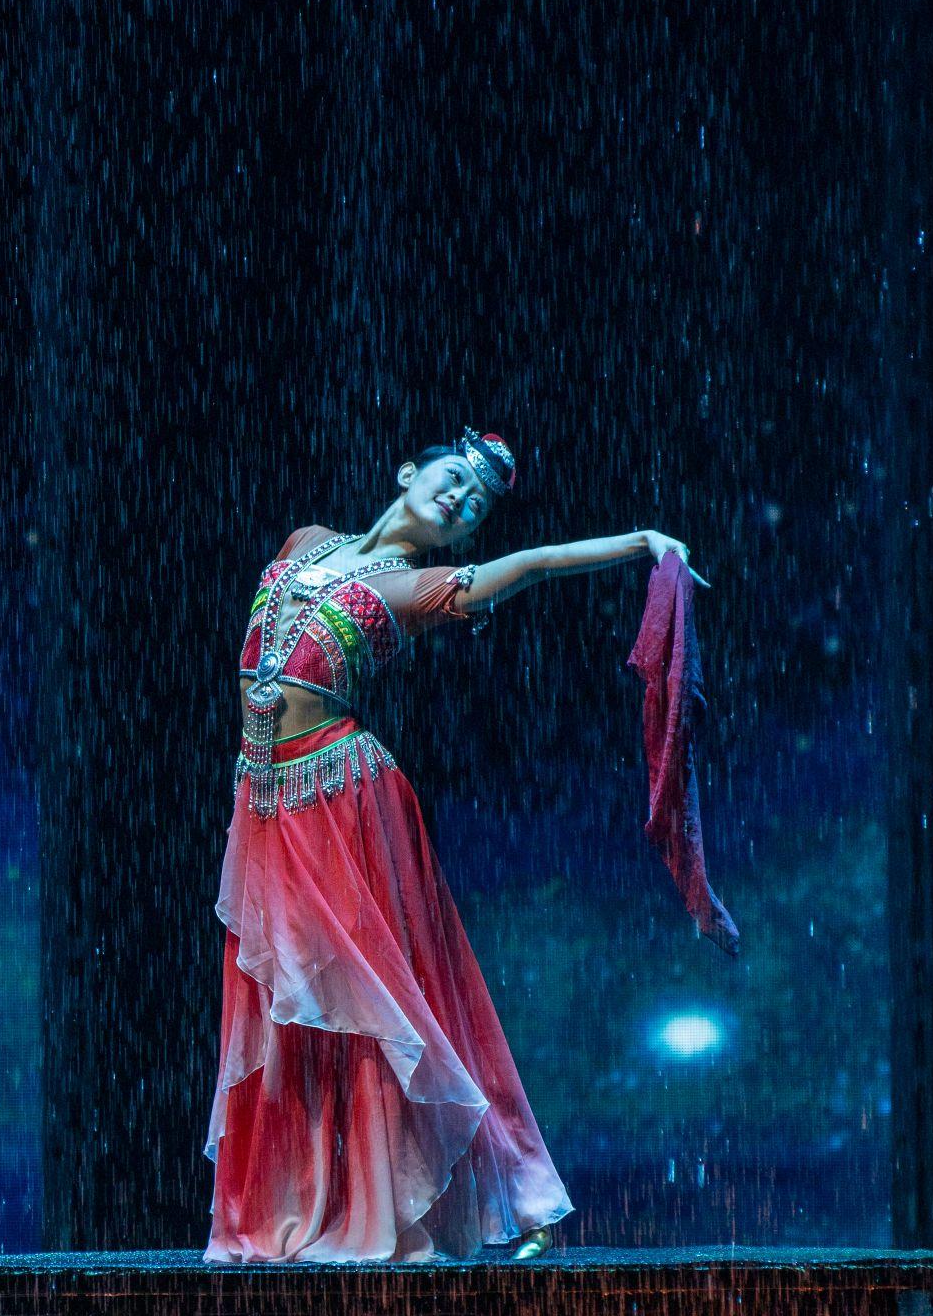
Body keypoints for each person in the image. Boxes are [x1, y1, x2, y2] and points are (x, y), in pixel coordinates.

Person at [205, 427, 699, 1265]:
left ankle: (494, 1191)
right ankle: (300, 1206)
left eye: (473, 506)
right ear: (410, 471)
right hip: (266, 801)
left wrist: (640, 543)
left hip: (342, 798)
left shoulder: (417, 587)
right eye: (454, 478)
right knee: (292, 1015)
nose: (460, 499)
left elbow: (534, 564)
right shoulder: (305, 542)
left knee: (388, 1007)